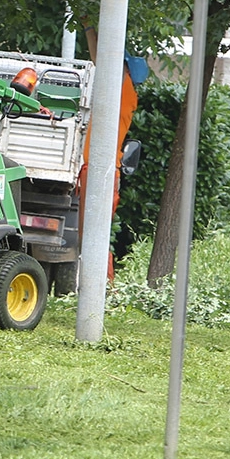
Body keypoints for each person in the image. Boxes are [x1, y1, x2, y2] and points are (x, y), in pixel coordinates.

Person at [77, 16, 146, 280]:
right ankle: (98, 284)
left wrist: (90, 29)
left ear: (126, 71)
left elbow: (101, 61)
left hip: (101, 171)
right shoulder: (123, 92)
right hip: (101, 169)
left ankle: (103, 284)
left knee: (92, 233)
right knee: (92, 232)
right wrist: (89, 28)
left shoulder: (122, 88)